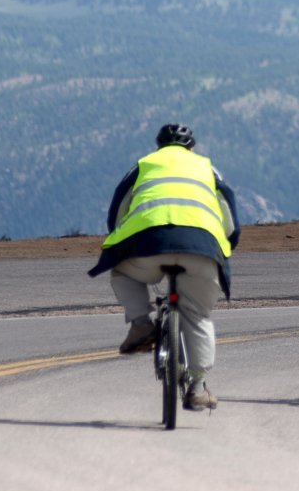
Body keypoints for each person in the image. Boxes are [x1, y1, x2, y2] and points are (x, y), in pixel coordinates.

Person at [88, 123, 241, 411]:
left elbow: (117, 212)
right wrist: (228, 244)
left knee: (121, 271)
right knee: (197, 316)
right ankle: (197, 387)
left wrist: (122, 239)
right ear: (191, 147)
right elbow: (230, 214)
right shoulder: (208, 167)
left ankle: (141, 323)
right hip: (201, 249)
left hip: (148, 244)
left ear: (159, 146)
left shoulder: (144, 165)